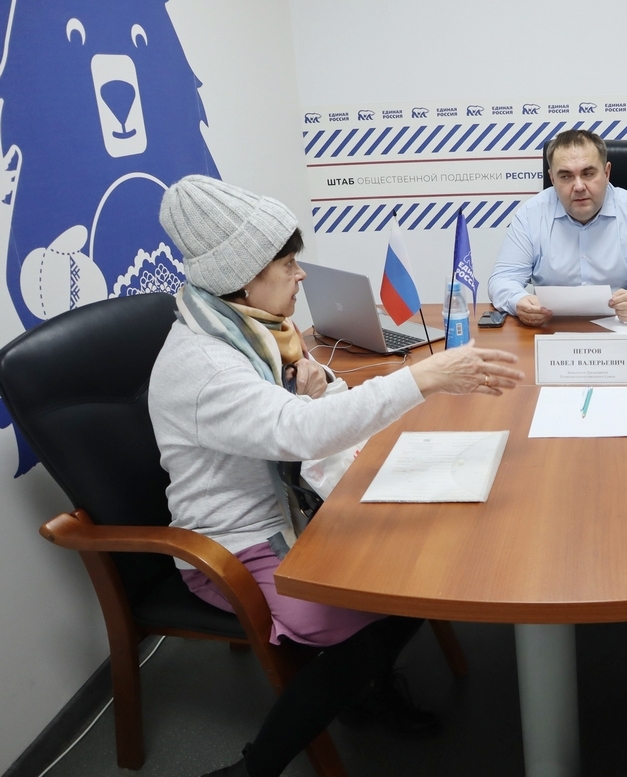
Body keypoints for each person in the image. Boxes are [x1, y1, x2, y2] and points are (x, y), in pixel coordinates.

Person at [148, 175, 524, 777]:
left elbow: (298, 411)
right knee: (391, 600)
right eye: (288, 265)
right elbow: (299, 433)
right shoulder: (205, 364)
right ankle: (257, 766)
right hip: (236, 545)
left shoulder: (252, 329)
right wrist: (422, 378)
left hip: (294, 511)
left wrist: (315, 385)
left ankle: (362, 686)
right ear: (245, 276)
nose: (300, 275)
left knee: (415, 574)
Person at [487, 129, 627, 326]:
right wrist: (519, 301)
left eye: (588, 173)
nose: (579, 186)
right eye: (566, 176)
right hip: (552, 328)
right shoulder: (531, 214)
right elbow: (502, 279)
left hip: (624, 326)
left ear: (606, 172)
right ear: (552, 179)